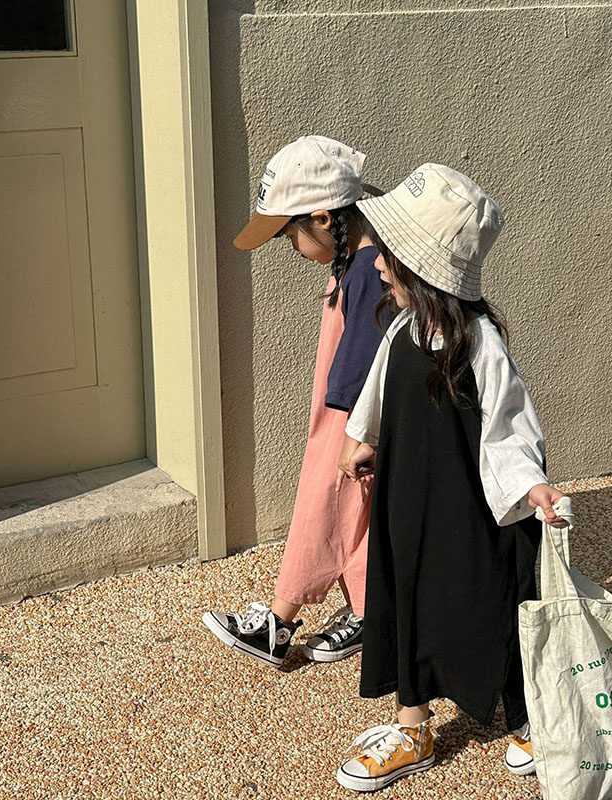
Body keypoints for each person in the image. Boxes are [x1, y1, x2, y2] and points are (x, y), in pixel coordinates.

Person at [333, 163, 569, 792]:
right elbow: (377, 395)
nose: (379, 266)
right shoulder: (403, 328)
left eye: (389, 256)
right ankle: (413, 726)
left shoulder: (478, 342)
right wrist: (362, 440)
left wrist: (531, 486)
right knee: (406, 599)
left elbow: (510, 422)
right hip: (408, 502)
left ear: (423, 270)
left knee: (492, 602)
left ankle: (528, 716)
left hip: (473, 512)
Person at [202, 136, 392, 666]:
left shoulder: (367, 271)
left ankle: (278, 623)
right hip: (351, 413)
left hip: (352, 418)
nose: (291, 247)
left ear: (324, 218)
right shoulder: (361, 258)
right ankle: (371, 611)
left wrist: (356, 434)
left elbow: (363, 361)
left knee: (326, 501)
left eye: (291, 234)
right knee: (363, 515)